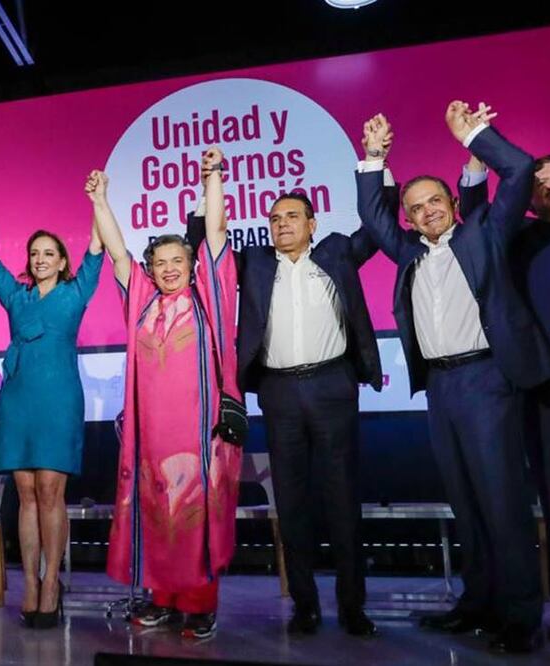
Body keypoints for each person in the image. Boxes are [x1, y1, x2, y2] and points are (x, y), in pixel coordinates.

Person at [356, 104, 550, 653]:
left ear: (452, 203)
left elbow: (519, 170)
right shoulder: (408, 253)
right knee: (465, 501)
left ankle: (520, 617)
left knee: (502, 501)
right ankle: (478, 603)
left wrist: (473, 134)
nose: (425, 214)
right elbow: (375, 217)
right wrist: (375, 159)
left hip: (487, 379)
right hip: (441, 387)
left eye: (434, 203)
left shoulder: (484, 234)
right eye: (415, 209)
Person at [186, 144, 385, 636]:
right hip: (278, 394)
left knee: (342, 500)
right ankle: (305, 605)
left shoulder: (338, 251)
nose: (281, 224)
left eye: (292, 216)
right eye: (274, 218)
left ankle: (353, 607)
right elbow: (204, 245)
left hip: (333, 386)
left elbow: (380, 226)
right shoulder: (253, 263)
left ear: (312, 223)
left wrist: (376, 161)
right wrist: (209, 183)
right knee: (291, 504)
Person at [90, 166, 242, 641]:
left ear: (192, 264)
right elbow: (117, 253)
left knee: (197, 518)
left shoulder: (207, 301)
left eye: (179, 260)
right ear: (151, 269)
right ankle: (162, 599)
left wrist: (213, 176)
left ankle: (200, 606)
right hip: (150, 439)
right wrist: (99, 200)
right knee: (156, 517)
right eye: (160, 263)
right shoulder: (141, 301)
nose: (169, 269)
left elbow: (215, 232)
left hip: (200, 436)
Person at [460, 153, 550, 641]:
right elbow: (474, 219)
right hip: (549, 378)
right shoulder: (516, 237)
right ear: (531, 195)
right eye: (543, 182)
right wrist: (476, 165)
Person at [0, 178, 104, 628]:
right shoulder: (16, 296)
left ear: (62, 261)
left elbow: (98, 248)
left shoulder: (76, 291)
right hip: (18, 400)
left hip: (59, 400)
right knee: (25, 494)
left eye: (49, 253)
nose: (40, 259)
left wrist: (96, 200)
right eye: (35, 253)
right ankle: (29, 580)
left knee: (50, 492)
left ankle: (51, 583)